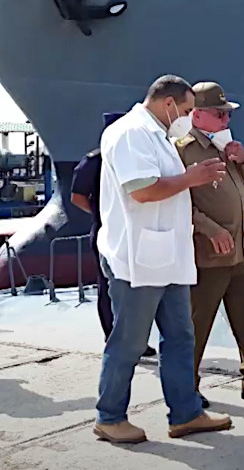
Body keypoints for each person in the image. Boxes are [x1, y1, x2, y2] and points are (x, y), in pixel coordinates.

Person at [93, 75, 232, 443]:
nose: (187, 117)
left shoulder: (159, 136)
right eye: (186, 110)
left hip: (166, 257)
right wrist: (192, 178)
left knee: (180, 336)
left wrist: (192, 179)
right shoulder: (131, 134)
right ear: (167, 103)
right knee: (129, 341)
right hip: (137, 259)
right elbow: (142, 191)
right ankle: (109, 417)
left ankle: (186, 413)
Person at [175, 82, 244, 409]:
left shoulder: (224, 145)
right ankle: (185, 388)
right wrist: (208, 228)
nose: (226, 119)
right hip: (209, 254)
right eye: (220, 113)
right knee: (196, 323)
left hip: (239, 252)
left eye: (227, 113)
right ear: (198, 115)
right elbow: (175, 202)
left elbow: (243, 183)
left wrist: (243, 159)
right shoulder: (182, 150)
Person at [70, 112, 155, 357]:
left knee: (137, 286)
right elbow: (76, 197)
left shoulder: (134, 159)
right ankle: (113, 337)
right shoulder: (94, 160)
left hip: (134, 229)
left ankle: (137, 339)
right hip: (106, 230)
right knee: (108, 287)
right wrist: (102, 213)